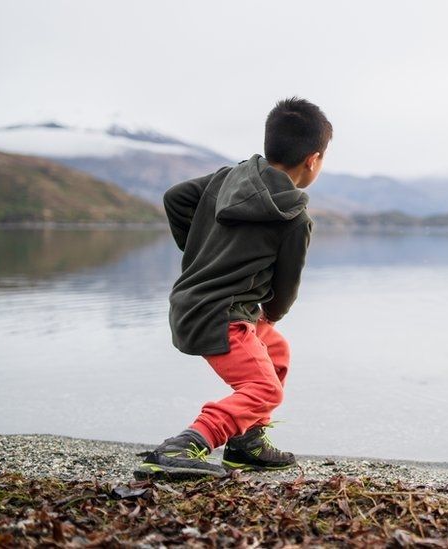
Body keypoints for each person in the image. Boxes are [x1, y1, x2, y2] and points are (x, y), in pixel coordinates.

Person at [134, 97, 332, 480]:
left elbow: (176, 199)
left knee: (275, 350)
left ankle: (247, 443)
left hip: (192, 304)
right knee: (266, 389)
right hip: (222, 316)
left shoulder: (230, 178)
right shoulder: (294, 217)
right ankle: (187, 444)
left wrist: (200, 254)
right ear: (313, 159)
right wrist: (268, 316)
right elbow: (285, 289)